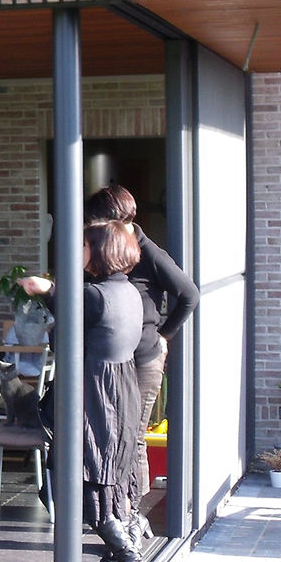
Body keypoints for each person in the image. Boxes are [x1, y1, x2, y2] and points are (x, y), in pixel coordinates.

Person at [20, 221, 149, 562]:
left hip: (95, 396)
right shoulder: (128, 292)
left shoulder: (95, 295)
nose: (79, 253)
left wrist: (45, 289)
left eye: (84, 247)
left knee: (85, 476)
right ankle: (114, 561)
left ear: (100, 251)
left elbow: (70, 312)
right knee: (112, 475)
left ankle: (129, 560)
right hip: (120, 389)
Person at [84, 185, 198, 521]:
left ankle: (133, 515)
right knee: (113, 435)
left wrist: (166, 334)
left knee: (132, 437)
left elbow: (189, 294)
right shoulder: (103, 249)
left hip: (143, 357)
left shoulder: (148, 252)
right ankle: (119, 513)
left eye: (98, 220)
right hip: (113, 357)